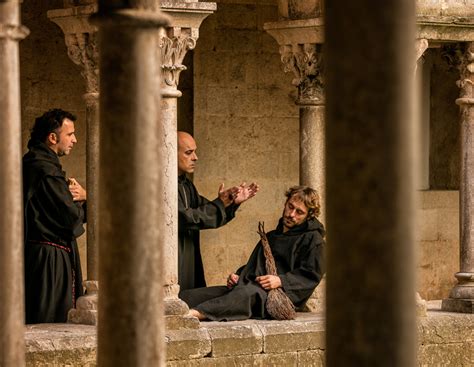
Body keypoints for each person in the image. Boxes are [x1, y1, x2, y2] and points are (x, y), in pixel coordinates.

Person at [180, 186, 325, 321]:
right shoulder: (272, 237)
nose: (291, 214)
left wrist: (280, 281)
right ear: (286, 203)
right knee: (191, 296)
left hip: (279, 296)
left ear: (309, 216)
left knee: (246, 294)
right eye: (290, 207)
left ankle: (197, 314)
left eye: (299, 212)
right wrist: (239, 275)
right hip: (252, 287)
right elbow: (256, 266)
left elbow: (311, 275)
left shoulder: (314, 240)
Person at [23, 109, 87, 323]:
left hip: (42, 253)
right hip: (49, 260)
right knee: (50, 319)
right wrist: (86, 200)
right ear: (52, 137)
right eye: (70, 135)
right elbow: (70, 218)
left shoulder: (36, 163)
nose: (75, 140)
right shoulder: (46, 170)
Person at [178, 131, 259, 291]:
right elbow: (186, 218)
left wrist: (231, 201)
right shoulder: (160, 184)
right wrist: (220, 204)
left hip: (187, 253)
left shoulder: (186, 185)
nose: (195, 157)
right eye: (189, 152)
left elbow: (205, 212)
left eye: (194, 151)